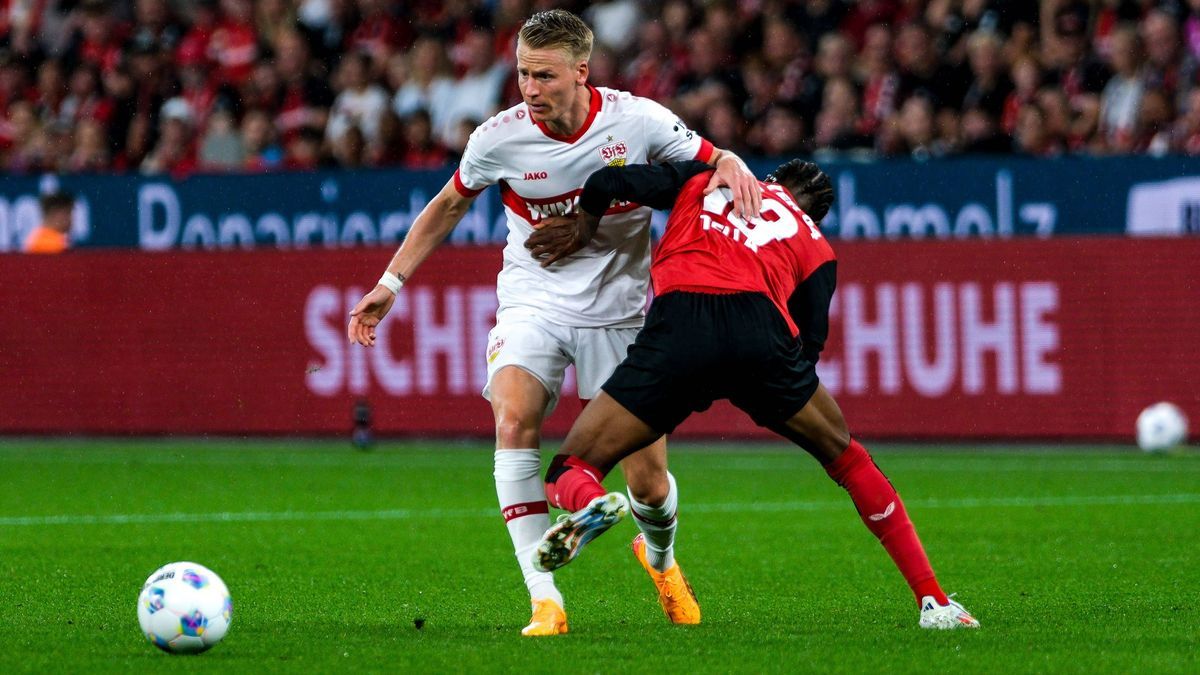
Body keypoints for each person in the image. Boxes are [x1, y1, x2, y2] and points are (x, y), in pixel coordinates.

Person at [345, 9, 762, 637]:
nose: (530, 89)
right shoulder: (498, 137)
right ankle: (546, 602)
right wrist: (389, 283)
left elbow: (710, 161)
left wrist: (728, 159)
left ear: (582, 72)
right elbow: (450, 202)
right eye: (521, 74)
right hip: (533, 299)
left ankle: (661, 559)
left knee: (648, 485)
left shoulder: (638, 121)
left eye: (543, 76)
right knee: (513, 420)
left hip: (621, 314)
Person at [525, 158, 980, 631]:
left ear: (770, 180)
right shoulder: (817, 245)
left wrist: (584, 225)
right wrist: (771, 388)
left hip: (680, 327)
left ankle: (589, 501)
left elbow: (605, 181)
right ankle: (934, 602)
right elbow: (810, 346)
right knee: (849, 460)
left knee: (570, 465)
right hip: (760, 336)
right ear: (816, 214)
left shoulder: (706, 178)